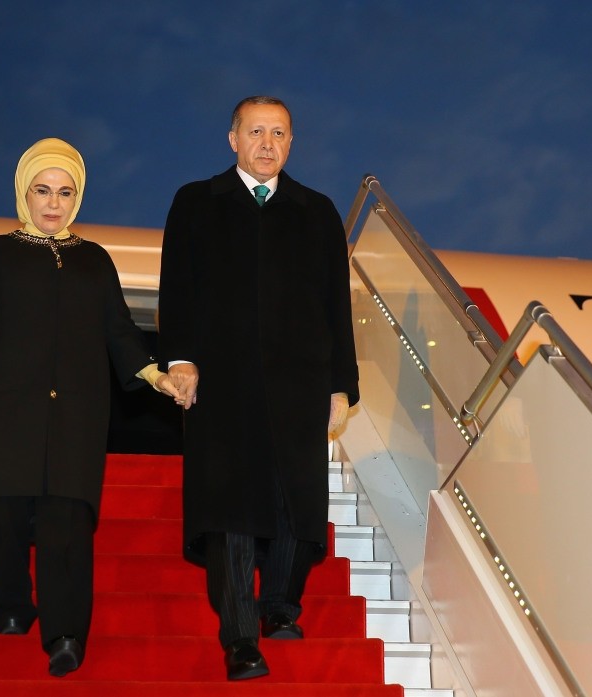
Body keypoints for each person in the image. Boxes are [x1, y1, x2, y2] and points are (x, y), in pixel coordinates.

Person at [0, 137, 182, 678]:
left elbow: (119, 331)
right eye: (42, 190)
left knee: (66, 522)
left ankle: (66, 633)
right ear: (24, 192)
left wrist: (155, 374)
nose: (53, 203)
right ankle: (10, 603)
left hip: (74, 415)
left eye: (65, 193)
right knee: (2, 512)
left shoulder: (95, 261)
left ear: (78, 197)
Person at [157, 95, 359, 681]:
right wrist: (180, 358)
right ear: (233, 139)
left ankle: (281, 604)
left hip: (301, 382)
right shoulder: (197, 202)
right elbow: (178, 289)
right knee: (232, 511)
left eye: (279, 134)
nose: (267, 144)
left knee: (297, 503)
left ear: (291, 143)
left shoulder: (317, 212)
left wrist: (341, 384)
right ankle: (241, 637)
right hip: (223, 384)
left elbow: (335, 307)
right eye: (255, 132)